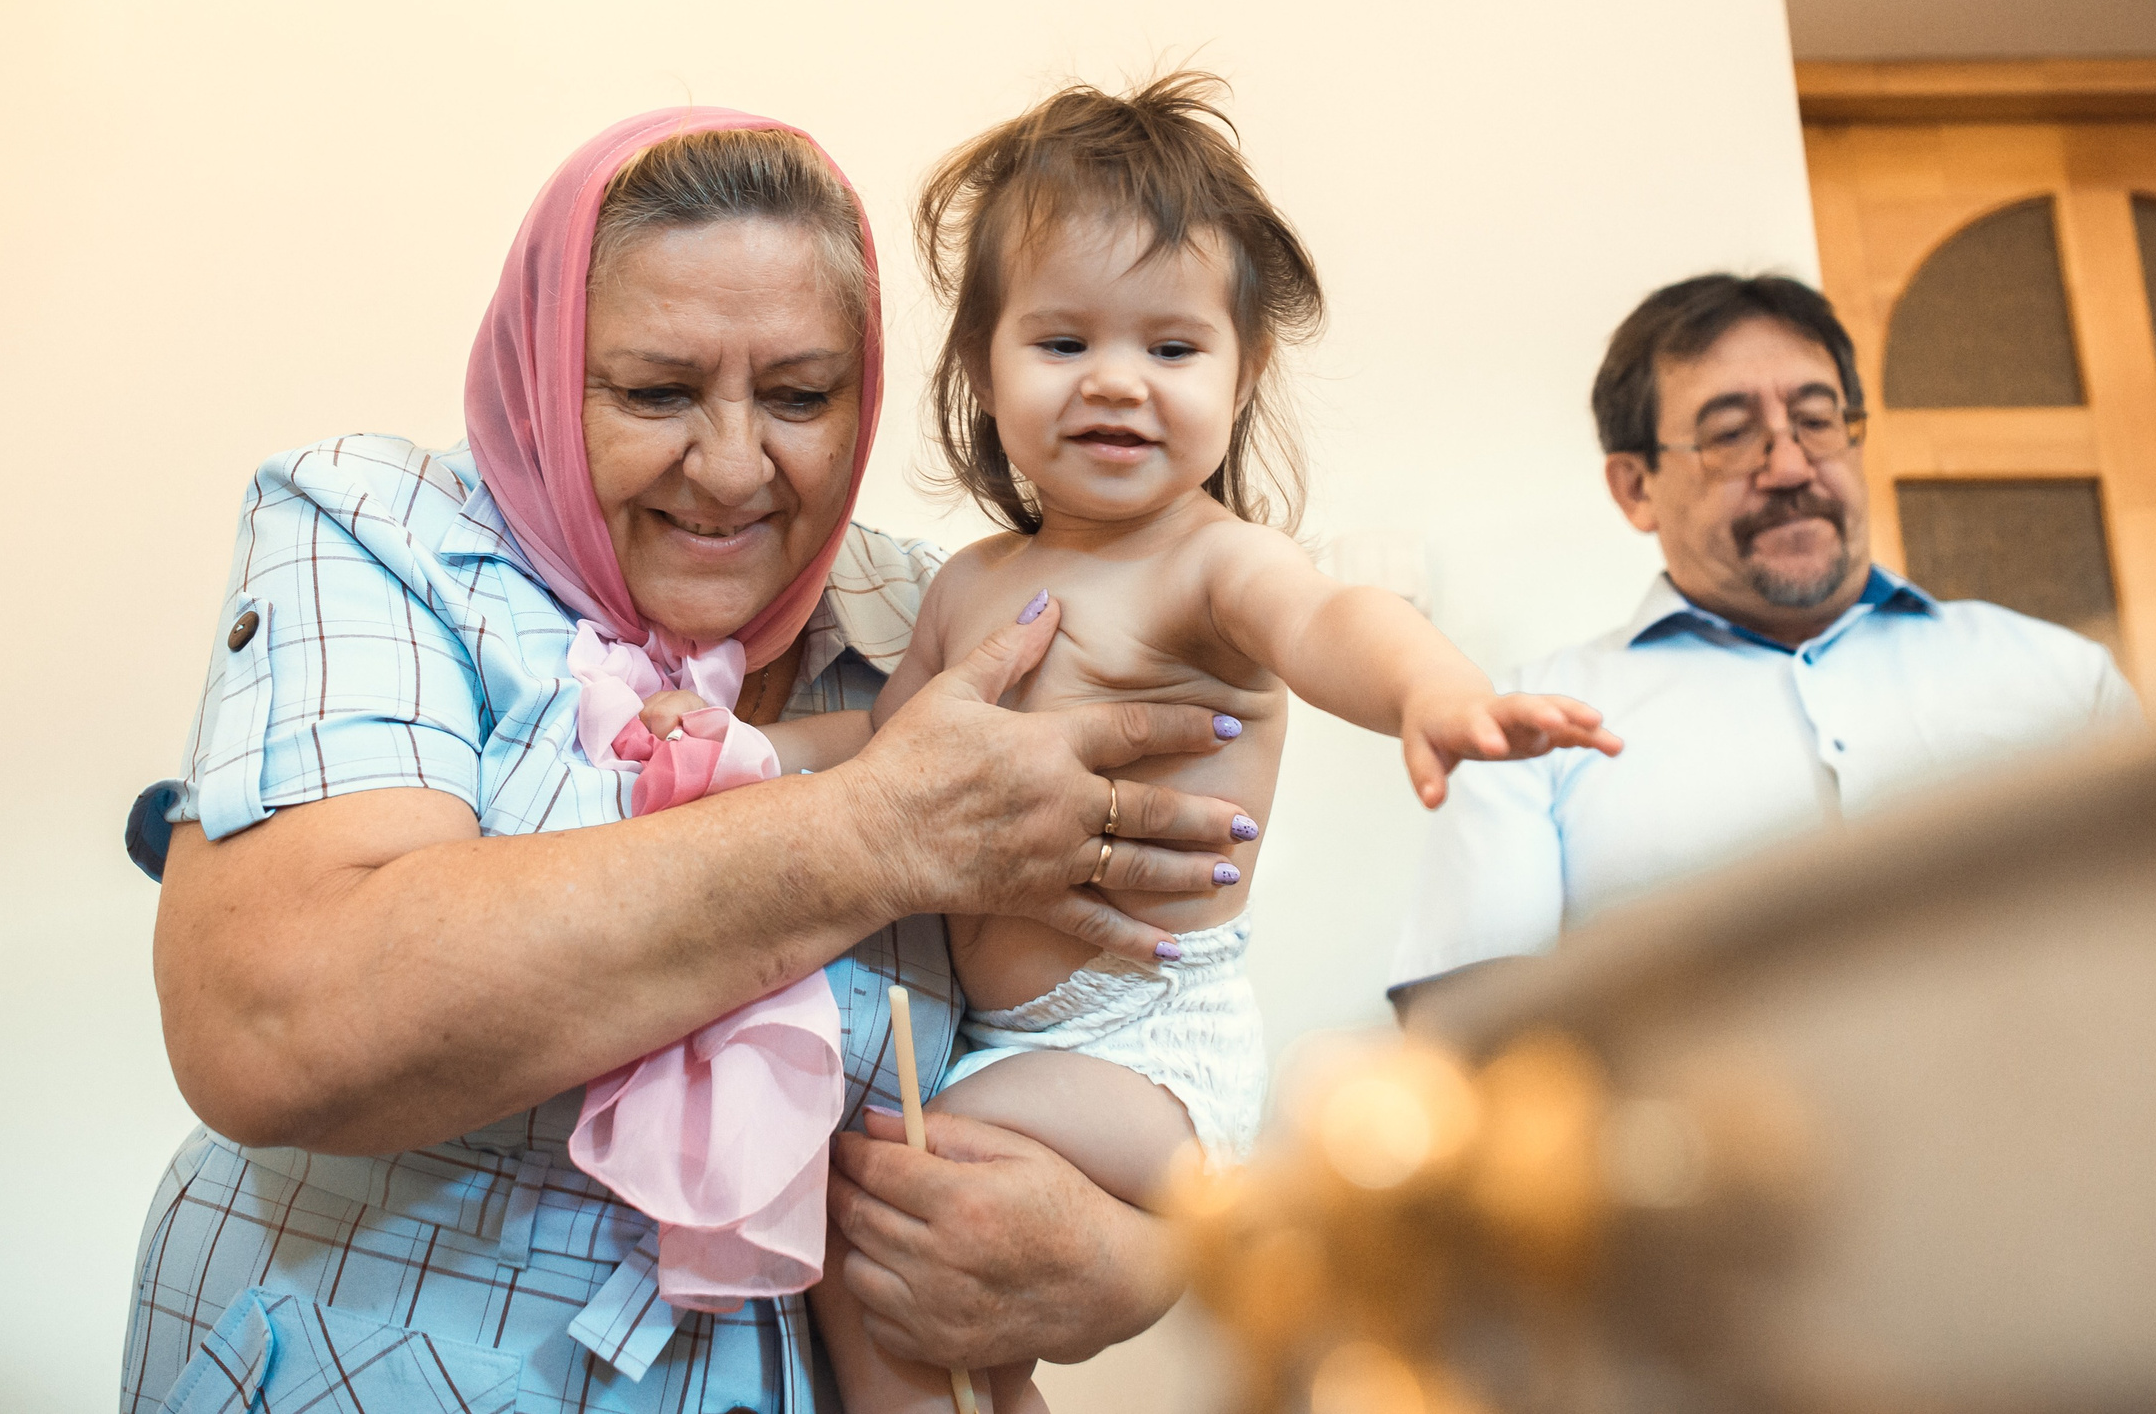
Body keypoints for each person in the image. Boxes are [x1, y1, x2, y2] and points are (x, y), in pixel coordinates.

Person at [121, 109, 1263, 1412]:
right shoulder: (377, 533)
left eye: (800, 395)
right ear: (547, 370)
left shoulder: (935, 623)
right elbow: (274, 1022)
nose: (729, 467)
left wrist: (1133, 1263)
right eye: (657, 391)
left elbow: (1144, 1009)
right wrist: (874, 830)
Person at [651, 74, 1621, 1413]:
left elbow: (1331, 618)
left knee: (879, 1201)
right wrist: (746, 750)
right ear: (982, 368)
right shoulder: (971, 582)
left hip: (1144, 1043)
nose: (1116, 380)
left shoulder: (1209, 563)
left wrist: (1433, 688)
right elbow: (884, 741)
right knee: (945, 1303)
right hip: (1015, 1038)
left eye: (1171, 347)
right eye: (1063, 342)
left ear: (1243, 373)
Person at [1387, 273, 2140, 1013]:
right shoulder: (1531, 729)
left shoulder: (2063, 677)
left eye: (1816, 420)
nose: (1789, 467)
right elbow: (1468, 1032)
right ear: (1636, 488)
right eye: (1730, 434)